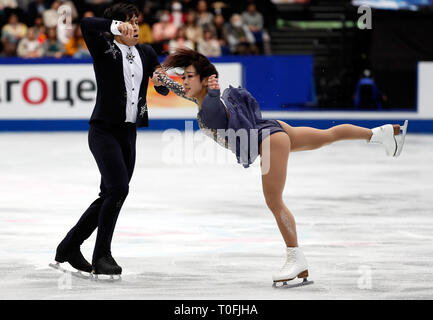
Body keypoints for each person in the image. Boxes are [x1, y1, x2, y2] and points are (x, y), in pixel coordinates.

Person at [151, 48, 408, 285]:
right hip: (273, 128)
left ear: (205, 80)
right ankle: (382, 133)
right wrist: (168, 79)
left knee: (275, 202)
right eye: (183, 77)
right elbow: (185, 91)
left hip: (269, 142)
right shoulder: (199, 95)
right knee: (327, 135)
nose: (184, 82)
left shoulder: (209, 103)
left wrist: (210, 88)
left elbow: (210, 101)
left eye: (189, 77)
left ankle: (296, 258)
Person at [54, 2, 169, 277]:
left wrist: (167, 81)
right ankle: (101, 255)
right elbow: (86, 25)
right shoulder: (105, 48)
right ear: (117, 26)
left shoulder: (147, 52)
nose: (135, 27)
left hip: (129, 133)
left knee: (111, 193)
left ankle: (69, 246)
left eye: (137, 22)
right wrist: (116, 27)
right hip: (103, 131)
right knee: (118, 189)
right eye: (129, 22)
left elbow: (161, 87)